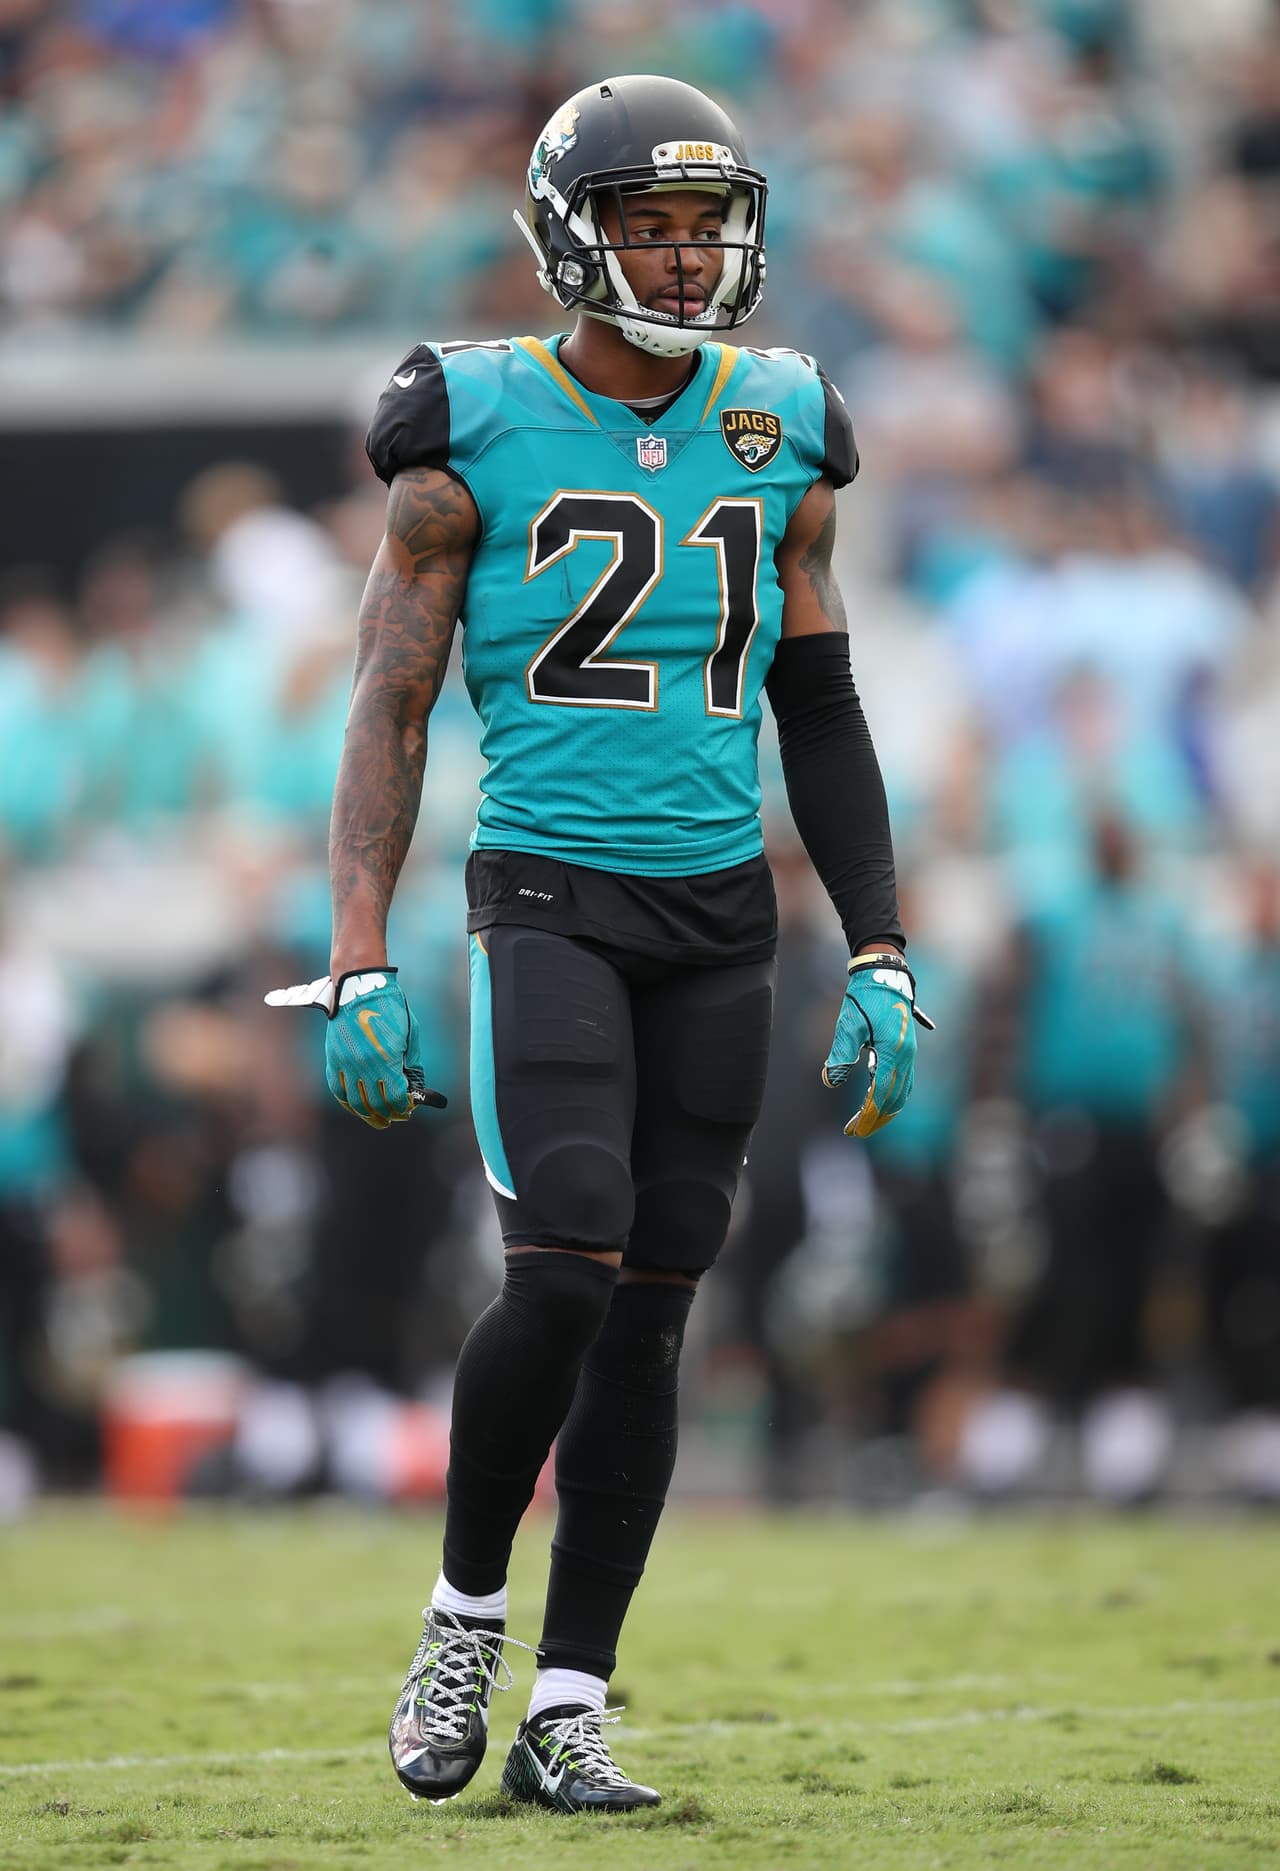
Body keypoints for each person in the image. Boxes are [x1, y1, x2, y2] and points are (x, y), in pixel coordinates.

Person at [268, 73, 927, 1814]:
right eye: (650, 224)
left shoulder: (784, 416)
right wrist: (354, 955)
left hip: (722, 917)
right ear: (572, 234)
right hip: (551, 892)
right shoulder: (467, 417)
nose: (690, 256)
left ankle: (570, 1706)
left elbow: (827, 708)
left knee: (650, 1317)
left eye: (708, 224)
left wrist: (881, 949)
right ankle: (464, 1617)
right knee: (559, 1267)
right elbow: (390, 703)